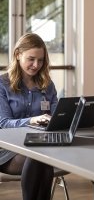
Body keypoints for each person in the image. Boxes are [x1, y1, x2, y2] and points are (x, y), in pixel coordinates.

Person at [0, 33, 58, 200]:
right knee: (40, 157)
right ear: (18, 55)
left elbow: (55, 115)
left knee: (41, 155)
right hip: (8, 149)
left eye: (40, 60)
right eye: (31, 59)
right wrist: (32, 120)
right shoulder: (2, 84)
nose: (36, 65)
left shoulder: (47, 85)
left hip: (39, 144)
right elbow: (3, 123)